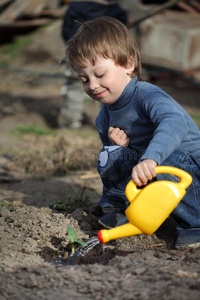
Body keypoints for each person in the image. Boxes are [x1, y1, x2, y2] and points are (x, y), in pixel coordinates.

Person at [65, 16, 200, 248]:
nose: (92, 85)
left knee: (166, 157)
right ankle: (124, 209)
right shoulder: (104, 116)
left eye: (100, 75)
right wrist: (119, 149)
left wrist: (150, 158)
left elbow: (175, 123)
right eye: (84, 79)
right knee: (110, 154)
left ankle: (194, 222)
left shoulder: (147, 95)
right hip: (150, 172)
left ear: (128, 65)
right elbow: (112, 165)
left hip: (188, 171)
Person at [60, 0, 127, 129]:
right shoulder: (112, 7)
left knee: (75, 85)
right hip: (106, 53)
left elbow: (66, 29)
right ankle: (111, 122)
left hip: (78, 53)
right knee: (109, 87)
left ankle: (72, 121)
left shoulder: (75, 6)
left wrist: (70, 46)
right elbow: (122, 26)